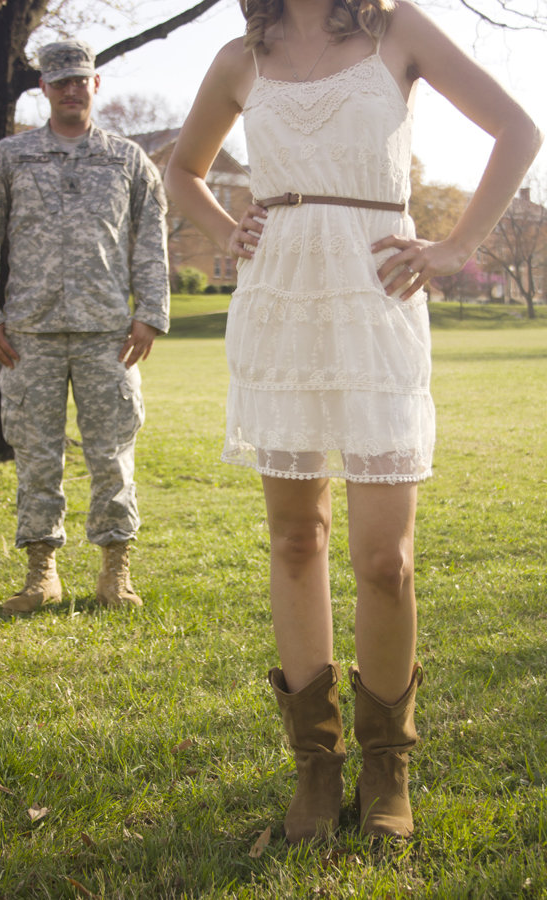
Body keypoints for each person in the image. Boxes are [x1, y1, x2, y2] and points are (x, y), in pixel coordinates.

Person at [164, 0, 542, 842]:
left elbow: (518, 128)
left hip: (376, 302)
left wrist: (453, 247)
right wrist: (230, 232)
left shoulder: (397, 30)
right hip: (280, 306)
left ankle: (387, 766)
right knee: (296, 539)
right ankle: (315, 767)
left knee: (385, 557)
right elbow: (181, 169)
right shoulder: (239, 56)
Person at [0, 40, 170, 613]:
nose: (72, 90)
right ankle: (42, 573)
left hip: (109, 333)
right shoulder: (8, 158)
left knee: (112, 453)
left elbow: (150, 242)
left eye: (81, 80)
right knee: (35, 455)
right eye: (60, 82)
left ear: (95, 84)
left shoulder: (128, 160)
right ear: (44, 89)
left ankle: (115, 572)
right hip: (27, 334)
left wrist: (150, 314)